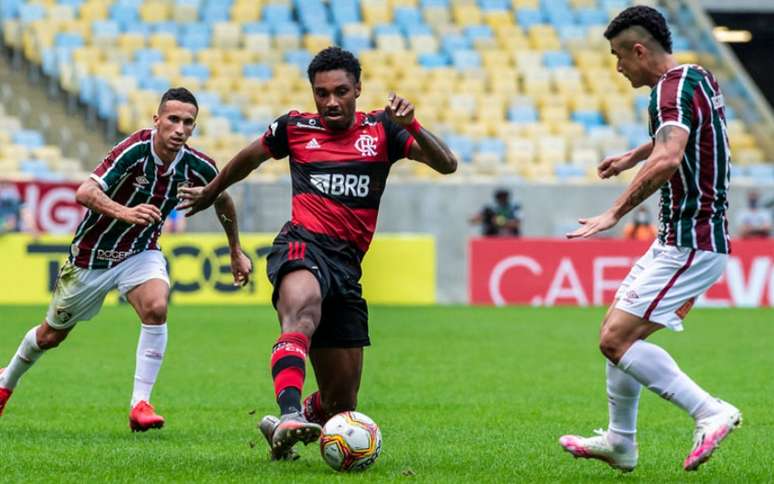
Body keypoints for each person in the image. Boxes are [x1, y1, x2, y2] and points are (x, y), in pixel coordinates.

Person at [179, 47, 458, 460]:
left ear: (358, 89)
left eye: (340, 91)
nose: (330, 102)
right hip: (302, 244)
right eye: (321, 93)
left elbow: (447, 164)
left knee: (340, 404)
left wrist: (412, 124)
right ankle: (289, 412)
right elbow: (248, 159)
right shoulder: (293, 127)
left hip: (346, 266)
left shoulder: (384, 130)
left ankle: (283, 427)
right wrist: (212, 190)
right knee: (301, 312)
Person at [0, 88, 252, 431]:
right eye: (173, 119)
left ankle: (140, 405)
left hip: (140, 251)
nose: (180, 128)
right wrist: (126, 212)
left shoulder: (197, 165)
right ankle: (5, 383)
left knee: (156, 307)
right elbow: (84, 192)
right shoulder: (134, 150)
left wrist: (235, 251)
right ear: (157, 120)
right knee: (49, 337)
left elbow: (223, 200)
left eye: (188, 122)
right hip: (92, 256)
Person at [558, 6, 740, 473]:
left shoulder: (665, 91)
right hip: (685, 239)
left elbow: (669, 158)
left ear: (640, 50)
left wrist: (613, 212)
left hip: (690, 239)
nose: (618, 68)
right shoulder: (695, 76)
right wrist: (631, 155)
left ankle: (709, 411)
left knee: (616, 340)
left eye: (619, 56)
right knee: (616, 333)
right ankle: (620, 442)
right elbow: (678, 136)